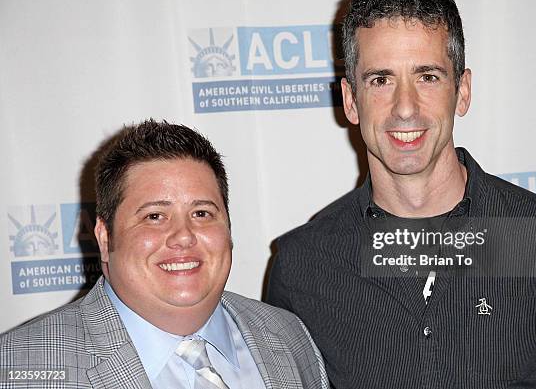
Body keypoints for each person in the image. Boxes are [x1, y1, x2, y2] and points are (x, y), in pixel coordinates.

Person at [267, 0, 536, 389]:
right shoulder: (303, 265)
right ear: (350, 100)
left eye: (427, 76)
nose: (405, 107)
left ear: (462, 91)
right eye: (381, 80)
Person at [0, 120, 329, 389]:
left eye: (201, 213)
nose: (184, 236)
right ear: (104, 237)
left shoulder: (288, 335)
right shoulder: (19, 367)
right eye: (154, 216)